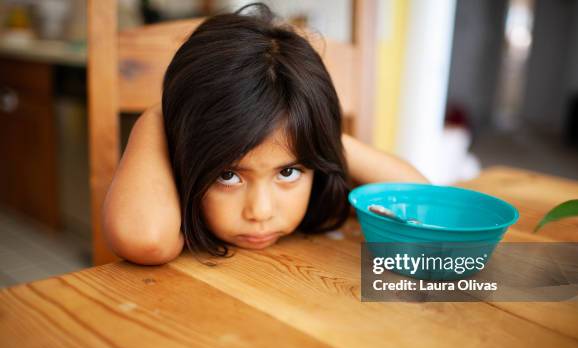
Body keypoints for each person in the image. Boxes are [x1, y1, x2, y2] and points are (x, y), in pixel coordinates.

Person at [102, 3, 428, 265]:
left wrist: (321, 134)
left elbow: (423, 203)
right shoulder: (163, 200)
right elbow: (144, 240)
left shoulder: (322, 184)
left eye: (288, 172)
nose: (260, 212)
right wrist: (158, 114)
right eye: (228, 175)